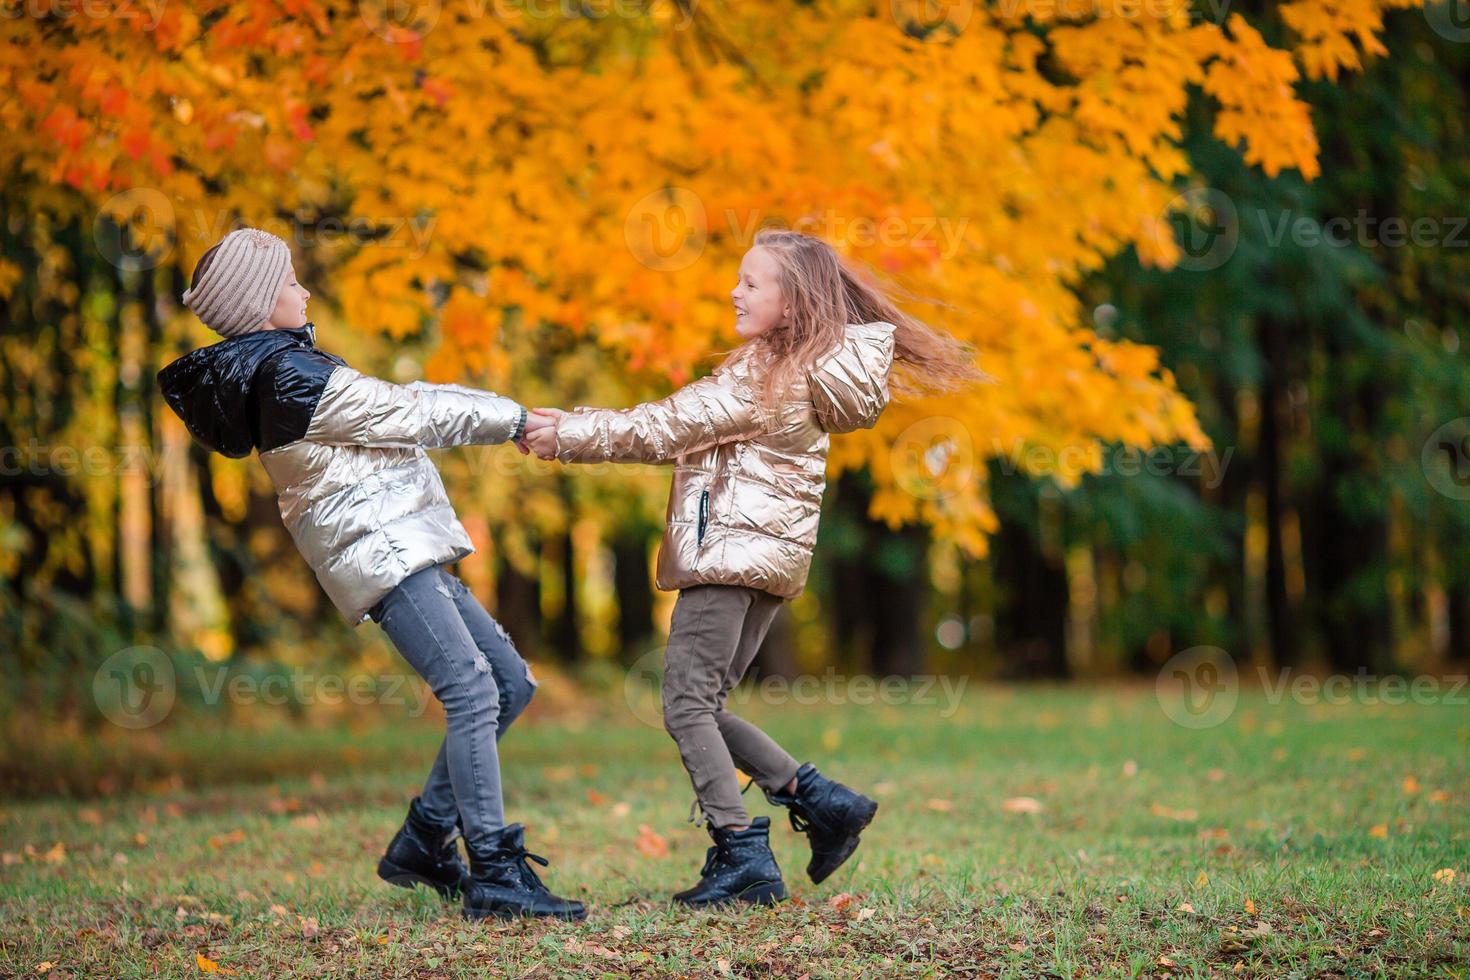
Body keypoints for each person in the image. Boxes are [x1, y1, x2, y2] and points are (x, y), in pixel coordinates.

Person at [522, 228, 985, 906]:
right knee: (702, 705)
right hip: (764, 557)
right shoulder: (800, 367)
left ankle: (742, 854)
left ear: (792, 304)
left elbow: (663, 427)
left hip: (729, 552)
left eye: (750, 282)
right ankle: (822, 802)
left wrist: (565, 433)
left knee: (684, 704)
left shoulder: (768, 374)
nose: (732, 291)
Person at [156, 227, 583, 922]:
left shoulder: (291, 367)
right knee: (474, 691)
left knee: (508, 681)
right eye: (292, 281)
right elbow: (410, 413)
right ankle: (496, 873)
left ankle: (422, 842)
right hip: (383, 551)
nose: (306, 290)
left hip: (404, 542)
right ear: (263, 301)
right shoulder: (290, 377)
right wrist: (515, 420)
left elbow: (395, 403)